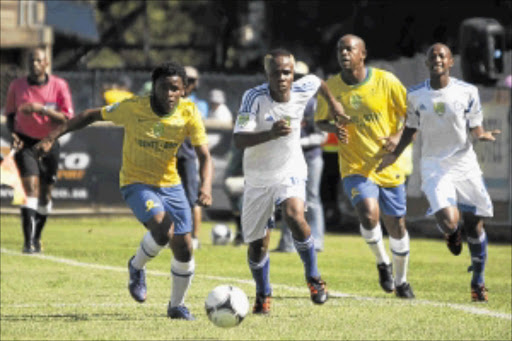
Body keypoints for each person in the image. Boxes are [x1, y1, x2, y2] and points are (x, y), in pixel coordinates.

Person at [34, 61, 213, 319]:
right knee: (163, 231)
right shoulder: (133, 107)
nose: (169, 94)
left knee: (184, 247)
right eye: (164, 88)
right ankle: (136, 266)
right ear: (154, 88)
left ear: (184, 90)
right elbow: (89, 115)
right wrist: (51, 137)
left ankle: (176, 306)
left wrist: (205, 186)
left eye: (175, 89)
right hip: (136, 181)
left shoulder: (189, 112)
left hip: (171, 184)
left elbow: (204, 156)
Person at [377, 43, 500, 302]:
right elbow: (410, 129)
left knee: (475, 224)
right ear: (426, 63)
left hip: (464, 163)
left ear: (450, 62)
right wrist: (393, 155)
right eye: (432, 56)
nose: (437, 59)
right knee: (448, 219)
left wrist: (482, 135)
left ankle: (478, 281)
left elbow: (475, 126)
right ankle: (451, 233)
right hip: (434, 164)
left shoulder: (468, 92)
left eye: (442, 55)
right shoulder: (415, 95)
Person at [233, 48, 348, 314]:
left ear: (293, 72)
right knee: (257, 245)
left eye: (287, 72)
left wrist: (334, 105)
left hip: (290, 168)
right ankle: (263, 293)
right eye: (277, 72)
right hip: (258, 176)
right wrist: (270, 133)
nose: (283, 77)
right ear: (267, 74)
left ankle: (314, 278)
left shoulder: (301, 87)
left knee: (295, 215)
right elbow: (239, 139)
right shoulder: (253, 98)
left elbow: (319, 82)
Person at [316, 34, 415, 299]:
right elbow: (320, 121)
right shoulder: (331, 87)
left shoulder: (386, 81)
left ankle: (402, 281)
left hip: (386, 164)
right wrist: (333, 127)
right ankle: (383, 263)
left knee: (397, 226)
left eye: (350, 49)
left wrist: (396, 137)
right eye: (340, 49)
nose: (344, 53)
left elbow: (413, 115)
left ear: (363, 53)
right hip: (354, 165)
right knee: (369, 214)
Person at [3, 47, 74, 254]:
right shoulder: (17, 86)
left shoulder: (59, 86)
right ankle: (28, 243)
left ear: (46, 64)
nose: (34, 64)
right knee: (30, 189)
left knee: (45, 195)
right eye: (31, 61)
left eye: (38, 61)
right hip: (25, 143)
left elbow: (67, 118)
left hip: (49, 142)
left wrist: (40, 109)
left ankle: (37, 236)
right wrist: (12, 133)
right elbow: (9, 115)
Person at [276, 60, 328, 253]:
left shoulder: (313, 105)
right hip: (289, 158)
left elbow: (321, 136)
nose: (295, 81)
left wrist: (299, 143)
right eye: (292, 76)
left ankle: (318, 242)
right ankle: (287, 244)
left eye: (299, 77)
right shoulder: (283, 103)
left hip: (311, 157)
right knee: (287, 199)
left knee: (312, 199)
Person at [177, 66, 209, 250]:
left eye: (191, 79)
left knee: (192, 199)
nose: (187, 83)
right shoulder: (171, 100)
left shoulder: (198, 104)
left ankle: (195, 237)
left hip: (188, 154)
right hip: (169, 154)